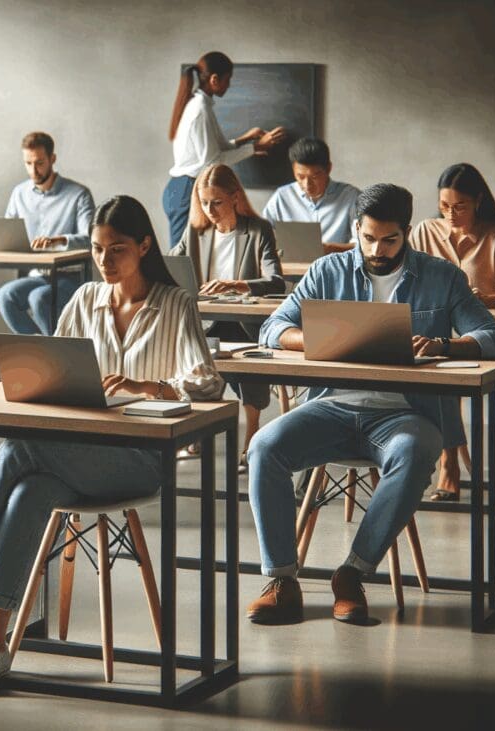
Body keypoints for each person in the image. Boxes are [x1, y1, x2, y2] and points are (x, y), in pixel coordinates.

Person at [0, 195, 224, 694]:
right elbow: (55, 365)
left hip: (141, 460)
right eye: (97, 249)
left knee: (23, 441)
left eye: (118, 250)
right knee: (30, 491)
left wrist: (150, 386)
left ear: (145, 246)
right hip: (71, 453)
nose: (104, 261)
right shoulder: (86, 298)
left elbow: (207, 380)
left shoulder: (175, 302)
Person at [245, 184, 495, 626]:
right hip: (331, 405)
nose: (376, 248)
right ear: (356, 229)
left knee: (413, 453)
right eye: (367, 237)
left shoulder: (441, 277)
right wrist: (314, 339)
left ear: (405, 232)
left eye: (388, 240)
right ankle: (281, 580)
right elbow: (272, 328)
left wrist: (447, 346)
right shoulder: (327, 270)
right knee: (264, 446)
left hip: (404, 414)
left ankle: (351, 575)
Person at [410, 162, 495, 501]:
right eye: (444, 205)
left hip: (472, 328)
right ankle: (431, 458)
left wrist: (486, 297)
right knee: (428, 366)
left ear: (478, 200)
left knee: (444, 371)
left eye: (459, 206)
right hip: (429, 325)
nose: (450, 213)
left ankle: (447, 463)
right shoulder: (422, 231)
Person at [170, 163, 282, 460]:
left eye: (217, 202)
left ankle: (252, 434)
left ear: (234, 197)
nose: (210, 210)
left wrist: (238, 284)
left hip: (246, 323)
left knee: (249, 368)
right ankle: (195, 431)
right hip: (205, 322)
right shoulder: (195, 232)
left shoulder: (258, 230)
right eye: (204, 202)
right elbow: (170, 265)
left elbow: (276, 280)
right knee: (188, 355)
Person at [163, 51, 286, 246]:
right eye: (228, 80)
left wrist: (246, 139)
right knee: (183, 258)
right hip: (186, 190)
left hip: (186, 188)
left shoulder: (201, 105)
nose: (229, 85)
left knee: (197, 254)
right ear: (214, 79)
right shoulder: (200, 110)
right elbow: (212, 162)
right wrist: (255, 147)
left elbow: (217, 147)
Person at [0, 131, 96, 335]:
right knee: (5, 296)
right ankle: (40, 351)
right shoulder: (19, 193)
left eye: (39, 163)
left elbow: (90, 239)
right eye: (28, 163)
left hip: (71, 277)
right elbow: (7, 234)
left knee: (39, 298)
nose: (34, 170)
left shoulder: (78, 194)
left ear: (52, 159)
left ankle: (56, 356)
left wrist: (57, 241)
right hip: (38, 274)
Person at [261, 137, 361, 251]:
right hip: (291, 267)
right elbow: (262, 237)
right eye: (300, 176)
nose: (307, 184)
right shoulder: (281, 197)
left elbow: (364, 244)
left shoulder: (351, 196)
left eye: (314, 177)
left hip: (335, 265)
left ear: (328, 169)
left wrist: (331, 249)